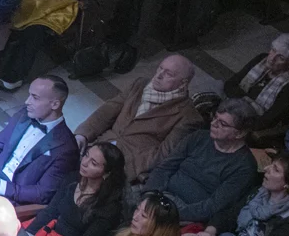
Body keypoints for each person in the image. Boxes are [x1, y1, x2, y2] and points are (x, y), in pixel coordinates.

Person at [74, 54, 200, 182]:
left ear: (183, 83)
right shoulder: (140, 85)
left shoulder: (188, 116)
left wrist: (120, 170)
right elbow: (107, 111)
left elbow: (164, 155)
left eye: (168, 74)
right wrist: (83, 134)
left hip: (126, 165)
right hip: (99, 146)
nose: (159, 75)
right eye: (160, 68)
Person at [0, 75, 79, 207]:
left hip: (9, 193)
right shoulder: (24, 114)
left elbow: (43, 193)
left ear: (55, 104)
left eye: (35, 97)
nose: (27, 101)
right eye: (29, 95)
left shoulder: (66, 148)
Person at [140, 104, 261, 230]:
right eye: (214, 117)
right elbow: (165, 168)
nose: (214, 123)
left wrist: (167, 211)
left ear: (240, 133)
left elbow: (212, 207)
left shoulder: (244, 167)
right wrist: (150, 194)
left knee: (142, 226)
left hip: (186, 213)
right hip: (160, 193)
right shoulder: (199, 137)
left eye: (223, 124)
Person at [24, 140, 127, 236]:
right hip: (48, 230)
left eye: (93, 163)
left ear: (107, 173)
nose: (84, 163)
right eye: (86, 155)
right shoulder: (72, 178)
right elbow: (50, 211)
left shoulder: (109, 207)